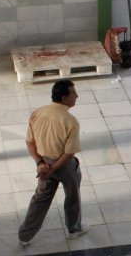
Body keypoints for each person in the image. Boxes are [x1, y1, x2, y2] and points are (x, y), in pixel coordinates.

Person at [19, 79, 87, 246]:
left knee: (40, 198)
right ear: (64, 98)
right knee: (72, 196)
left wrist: (40, 164)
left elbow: (30, 142)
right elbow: (69, 152)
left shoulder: (38, 113)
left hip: (44, 165)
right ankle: (73, 229)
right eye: (73, 93)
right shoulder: (71, 121)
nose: (76, 96)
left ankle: (25, 236)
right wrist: (55, 167)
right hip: (64, 165)